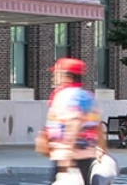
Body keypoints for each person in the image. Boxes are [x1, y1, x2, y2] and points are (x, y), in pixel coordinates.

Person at [42, 57, 103, 185]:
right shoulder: (87, 96)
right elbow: (98, 126)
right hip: (86, 153)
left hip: (68, 154)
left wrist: (68, 154)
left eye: (57, 74)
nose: (53, 77)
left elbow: (74, 121)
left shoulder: (66, 96)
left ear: (68, 76)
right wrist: (101, 149)